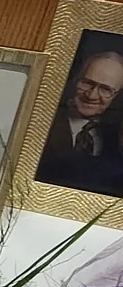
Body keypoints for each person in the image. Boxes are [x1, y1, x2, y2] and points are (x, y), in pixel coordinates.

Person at [35, 51, 123, 193]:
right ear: (75, 81)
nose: (92, 95)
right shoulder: (41, 122)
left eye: (105, 89)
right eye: (87, 83)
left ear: (117, 96)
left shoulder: (115, 138)